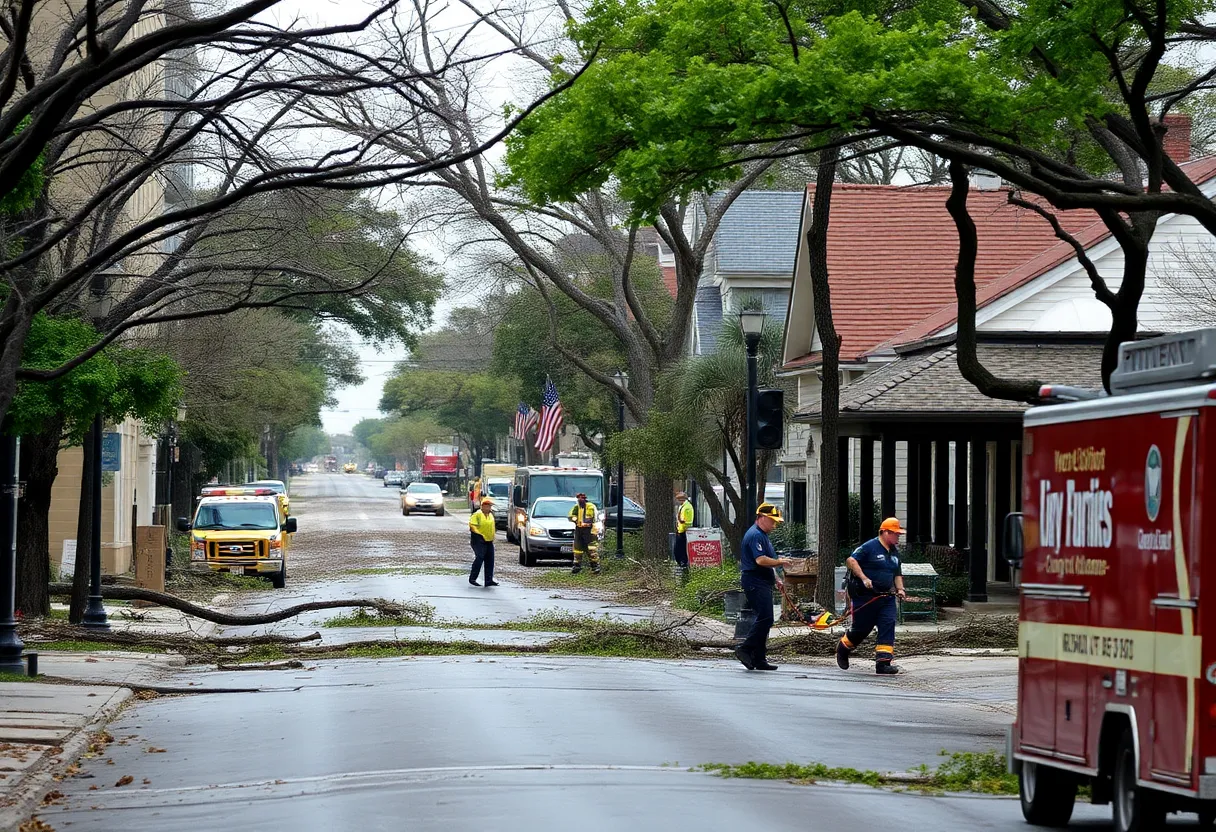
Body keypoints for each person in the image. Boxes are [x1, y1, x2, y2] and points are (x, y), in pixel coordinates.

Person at [836, 517, 908, 675]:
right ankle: (844, 647)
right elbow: (851, 560)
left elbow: (897, 572)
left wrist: (900, 589)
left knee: (888, 624)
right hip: (865, 597)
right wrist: (864, 578)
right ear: (885, 532)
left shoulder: (894, 552)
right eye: (895, 534)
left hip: (886, 597)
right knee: (862, 629)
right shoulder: (870, 547)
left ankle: (883, 663)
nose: (898, 537)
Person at [735, 503, 795, 671]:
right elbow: (760, 560)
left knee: (764, 619)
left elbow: (766, 562)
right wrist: (780, 562)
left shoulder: (762, 535)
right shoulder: (755, 535)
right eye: (772, 521)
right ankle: (745, 648)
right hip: (755, 581)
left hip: (762, 581)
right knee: (766, 618)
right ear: (761, 518)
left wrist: (776, 579)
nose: (774, 525)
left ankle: (759, 658)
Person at [468, 496, 499, 587]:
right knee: (480, 557)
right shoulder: (477, 514)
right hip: (478, 540)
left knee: (490, 560)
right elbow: (472, 525)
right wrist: (479, 534)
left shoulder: (490, 515)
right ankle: (472, 578)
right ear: (484, 506)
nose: (490, 507)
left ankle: (488, 580)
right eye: (489, 506)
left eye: (490, 506)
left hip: (489, 540)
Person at [568, 492, 600, 575]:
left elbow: (591, 518)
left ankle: (595, 566)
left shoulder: (590, 506)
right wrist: (574, 519)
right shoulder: (577, 507)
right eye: (578, 498)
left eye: (581, 498)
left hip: (590, 530)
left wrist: (586, 524)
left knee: (591, 548)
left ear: (584, 499)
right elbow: (571, 515)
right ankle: (577, 566)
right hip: (579, 529)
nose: (579, 500)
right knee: (578, 548)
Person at [674, 491, 694, 570]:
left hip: (683, 531)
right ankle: (681, 563)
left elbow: (686, 521)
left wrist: (682, 529)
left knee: (679, 549)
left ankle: (683, 563)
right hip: (681, 530)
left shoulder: (687, 507)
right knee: (679, 549)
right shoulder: (683, 506)